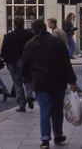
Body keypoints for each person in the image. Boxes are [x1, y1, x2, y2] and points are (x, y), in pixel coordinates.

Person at [22, 19, 77, 148]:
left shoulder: (30, 45)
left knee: (45, 110)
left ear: (33, 30)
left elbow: (25, 66)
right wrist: (72, 81)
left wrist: (27, 77)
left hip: (40, 82)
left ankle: (45, 139)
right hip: (58, 81)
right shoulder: (57, 42)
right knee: (57, 110)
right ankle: (58, 135)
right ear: (45, 28)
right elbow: (66, 63)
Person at [1, 16, 35, 111]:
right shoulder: (29, 35)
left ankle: (21, 105)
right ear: (23, 23)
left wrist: (7, 61)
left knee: (17, 83)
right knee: (28, 79)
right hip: (26, 61)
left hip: (13, 62)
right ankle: (29, 94)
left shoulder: (8, 36)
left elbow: (3, 51)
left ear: (14, 24)